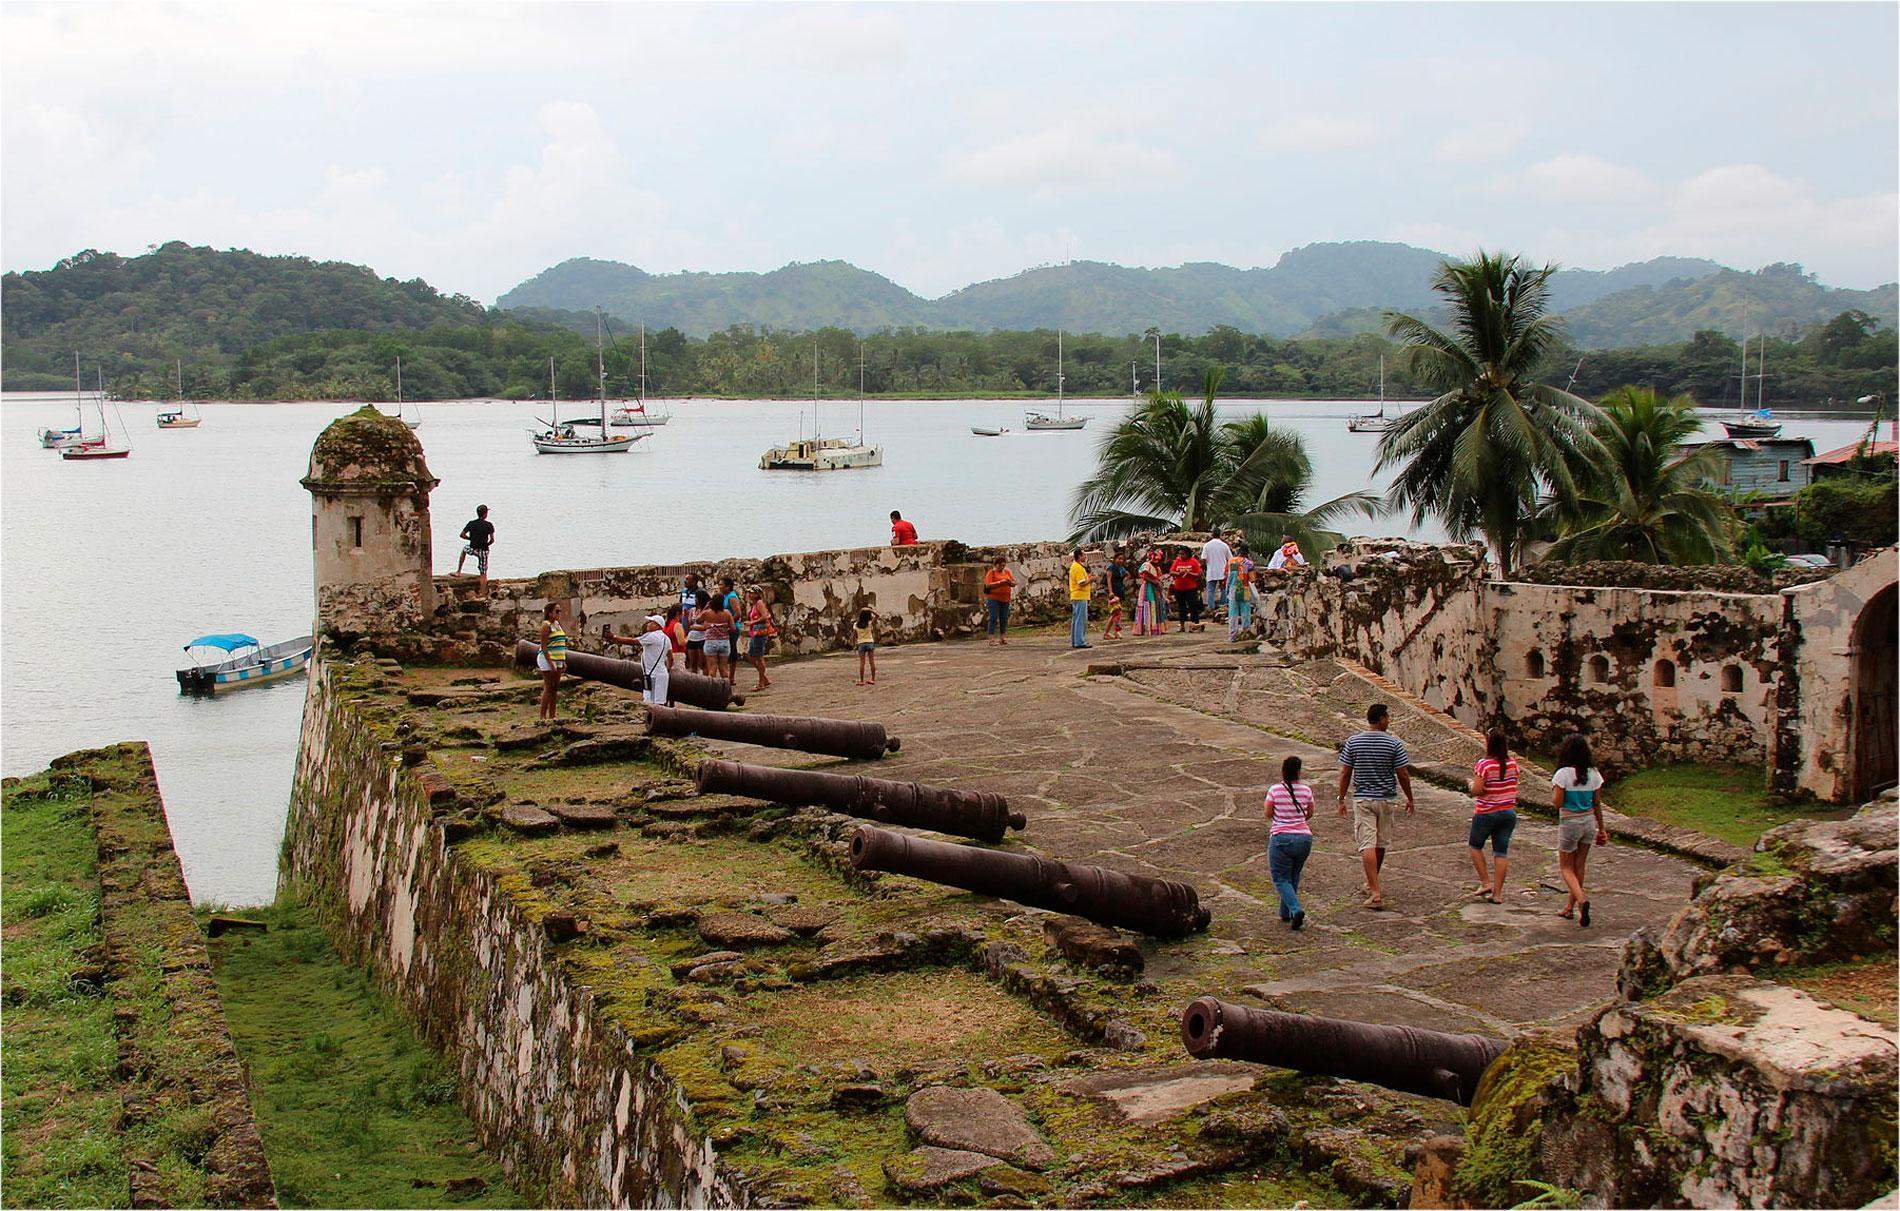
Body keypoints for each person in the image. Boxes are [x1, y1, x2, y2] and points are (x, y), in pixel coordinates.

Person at [1336, 702, 1414, 910]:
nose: (1388, 721)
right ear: (1380, 719)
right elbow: (1403, 774)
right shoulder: (1394, 744)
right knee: (1380, 844)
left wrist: (1341, 798)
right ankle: (1373, 884)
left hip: (1363, 798)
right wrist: (1409, 797)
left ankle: (1374, 889)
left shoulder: (1353, 742)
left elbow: (1345, 773)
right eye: (1387, 717)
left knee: (1367, 844)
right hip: (1386, 798)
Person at [1551, 733, 1609, 927]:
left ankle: (1581, 900)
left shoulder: (1563, 774)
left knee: (1566, 867)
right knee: (1580, 866)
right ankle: (1570, 907)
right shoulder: (1594, 774)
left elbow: (1557, 804)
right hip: (1589, 823)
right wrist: (1602, 829)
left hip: (1570, 822)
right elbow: (1597, 804)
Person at [1467, 730, 1519, 904]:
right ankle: (1498, 893)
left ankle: (1485, 882)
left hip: (1487, 812)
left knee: (1475, 846)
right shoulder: (1512, 763)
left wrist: (1470, 785)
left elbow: (1477, 790)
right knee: (1501, 852)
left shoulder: (1484, 765)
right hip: (1508, 812)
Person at [1266, 755, 1316, 930]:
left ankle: (1295, 910)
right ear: (1299, 772)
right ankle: (1285, 913)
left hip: (1281, 837)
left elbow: (1268, 811)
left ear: (1283, 771)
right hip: (1304, 838)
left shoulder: (1274, 790)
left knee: (1280, 878)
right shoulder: (1306, 791)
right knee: (1293, 876)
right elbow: (1309, 813)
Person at [605, 615, 672, 706]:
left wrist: (614, 637)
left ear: (657, 626)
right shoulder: (667, 639)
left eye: (651, 622)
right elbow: (670, 657)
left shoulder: (652, 636)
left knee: (649, 703)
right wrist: (668, 670)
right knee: (659, 703)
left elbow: (633, 641)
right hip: (661, 674)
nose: (648, 624)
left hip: (652, 675)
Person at [534, 601, 566, 721]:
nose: (559, 614)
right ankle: (542, 716)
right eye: (557, 611)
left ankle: (553, 715)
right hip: (547, 659)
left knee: (555, 687)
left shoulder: (557, 624)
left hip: (558, 659)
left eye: (560, 611)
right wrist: (551, 663)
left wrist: (563, 661)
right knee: (548, 687)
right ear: (549, 613)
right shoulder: (546, 625)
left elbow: (560, 644)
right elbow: (544, 646)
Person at [456, 505, 495, 592]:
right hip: (483, 551)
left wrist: (470, 538)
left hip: (473, 548)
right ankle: (482, 593)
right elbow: (492, 540)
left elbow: (462, 535)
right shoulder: (489, 525)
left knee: (464, 550)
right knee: (483, 573)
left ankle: (458, 571)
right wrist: (487, 544)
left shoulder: (471, 523)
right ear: (485, 514)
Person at [697, 592, 735, 681]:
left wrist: (705, 608)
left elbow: (698, 620)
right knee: (724, 669)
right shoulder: (727, 613)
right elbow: (733, 628)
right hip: (724, 641)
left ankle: (711, 691)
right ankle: (726, 690)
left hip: (711, 641)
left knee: (712, 669)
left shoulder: (707, 613)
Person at [743, 588, 774, 691]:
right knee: (751, 655)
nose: (750, 595)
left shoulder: (759, 603)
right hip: (755, 631)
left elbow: (764, 616)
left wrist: (752, 622)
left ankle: (761, 682)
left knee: (759, 657)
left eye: (751, 593)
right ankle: (764, 678)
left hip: (759, 631)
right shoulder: (755, 604)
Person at [680, 574, 710, 674]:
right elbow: (681, 605)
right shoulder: (683, 592)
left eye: (688, 580)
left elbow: (708, 603)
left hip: (698, 629)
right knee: (690, 655)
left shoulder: (700, 593)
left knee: (702, 662)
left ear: (694, 582)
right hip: (687, 624)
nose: (685, 581)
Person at [1168, 548, 1204, 631]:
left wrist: (1190, 573)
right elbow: (1171, 571)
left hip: (1191, 588)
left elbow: (1199, 574)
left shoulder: (1193, 561)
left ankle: (1194, 624)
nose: (1181, 556)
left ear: (1187, 554)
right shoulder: (1177, 561)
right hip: (1179, 588)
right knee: (1181, 607)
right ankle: (1182, 626)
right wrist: (1178, 573)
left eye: (1183, 554)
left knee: (1193, 606)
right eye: (1180, 554)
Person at [983, 555, 1015, 645]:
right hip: (994, 598)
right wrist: (1000, 583)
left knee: (1004, 618)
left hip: (1005, 599)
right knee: (993, 618)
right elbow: (988, 585)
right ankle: (991, 639)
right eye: (1000, 565)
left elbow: (1014, 582)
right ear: (996, 565)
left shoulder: (1007, 572)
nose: (1002, 567)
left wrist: (1009, 583)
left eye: (1003, 565)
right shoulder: (991, 573)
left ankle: (1002, 638)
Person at [717, 576, 744, 685]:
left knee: (731, 651)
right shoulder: (725, 596)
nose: (719, 587)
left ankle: (731, 677)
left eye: (721, 585)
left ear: (728, 587)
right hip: (727, 627)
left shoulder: (732, 597)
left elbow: (737, 613)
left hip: (732, 628)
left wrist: (729, 624)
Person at [1227, 543, 1256, 639]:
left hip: (1233, 589)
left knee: (1233, 614)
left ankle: (1233, 635)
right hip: (1244, 588)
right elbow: (1252, 579)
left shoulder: (1232, 561)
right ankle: (1245, 633)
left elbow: (1228, 576)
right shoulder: (1249, 563)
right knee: (1245, 613)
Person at [1201, 532, 1233, 619]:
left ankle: (1211, 607)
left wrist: (1205, 566)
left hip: (1211, 571)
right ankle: (1222, 607)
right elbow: (1230, 559)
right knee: (1223, 589)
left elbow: (1203, 559)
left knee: (1211, 590)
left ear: (1212, 535)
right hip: (1222, 571)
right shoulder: (1224, 545)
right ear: (1220, 535)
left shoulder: (1207, 545)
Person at [1067, 549, 1093, 649]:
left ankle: (1076, 640)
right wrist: (1090, 580)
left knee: (1077, 619)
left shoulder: (1076, 567)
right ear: (1079, 556)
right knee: (1081, 619)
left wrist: (1088, 578)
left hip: (1077, 596)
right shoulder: (1077, 567)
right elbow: (1081, 583)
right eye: (1083, 555)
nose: (1085, 556)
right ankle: (1080, 641)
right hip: (1080, 595)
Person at [1135, 548, 1163, 636]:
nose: (1156, 560)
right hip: (1148, 587)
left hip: (1155, 588)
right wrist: (1155, 582)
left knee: (1155, 605)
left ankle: (1155, 627)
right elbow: (1144, 576)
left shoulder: (1157, 568)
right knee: (1149, 604)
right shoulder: (1146, 565)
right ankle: (1147, 627)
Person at [855, 607, 878, 684]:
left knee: (862, 662)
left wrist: (854, 644)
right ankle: (873, 679)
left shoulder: (856, 624)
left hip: (861, 643)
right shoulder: (870, 623)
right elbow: (877, 616)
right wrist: (870, 610)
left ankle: (861, 680)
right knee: (871, 661)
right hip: (870, 642)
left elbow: (855, 635)